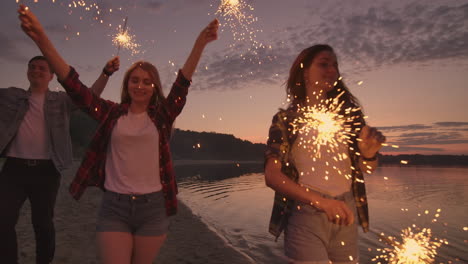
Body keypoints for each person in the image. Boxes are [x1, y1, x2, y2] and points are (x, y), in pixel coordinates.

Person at [17, 4, 219, 264]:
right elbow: (75, 87)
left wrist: (200, 43)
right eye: (134, 80)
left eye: (147, 81)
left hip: (153, 208)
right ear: (127, 85)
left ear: (155, 87)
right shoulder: (112, 113)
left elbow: (182, 84)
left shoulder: (162, 116)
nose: (140, 85)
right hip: (115, 207)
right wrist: (41, 39)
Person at [264, 44, 386, 264]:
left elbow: (368, 169)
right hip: (306, 215)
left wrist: (369, 155)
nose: (332, 70)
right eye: (323, 64)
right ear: (304, 71)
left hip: (346, 214)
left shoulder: (350, 116)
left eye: (335, 65)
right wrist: (321, 202)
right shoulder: (286, 120)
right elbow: (272, 176)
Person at [0, 52, 119, 264]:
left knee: (43, 223)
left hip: (46, 170)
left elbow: (90, 96)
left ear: (51, 76)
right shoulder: (11, 96)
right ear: (27, 72)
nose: (36, 70)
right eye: (33, 67)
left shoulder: (61, 100)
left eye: (42, 68)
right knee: (3, 221)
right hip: (13, 169)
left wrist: (106, 73)